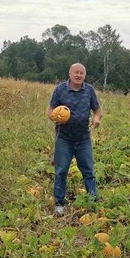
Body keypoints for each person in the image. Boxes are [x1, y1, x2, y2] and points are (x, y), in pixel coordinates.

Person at [47, 63, 103, 215]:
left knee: (88, 171)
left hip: (83, 138)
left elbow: (97, 110)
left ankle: (92, 200)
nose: (79, 75)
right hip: (64, 139)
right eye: (76, 72)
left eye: (82, 73)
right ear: (70, 74)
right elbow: (50, 110)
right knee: (61, 171)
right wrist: (55, 117)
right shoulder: (60, 90)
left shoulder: (89, 90)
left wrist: (96, 119)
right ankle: (59, 204)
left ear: (84, 75)